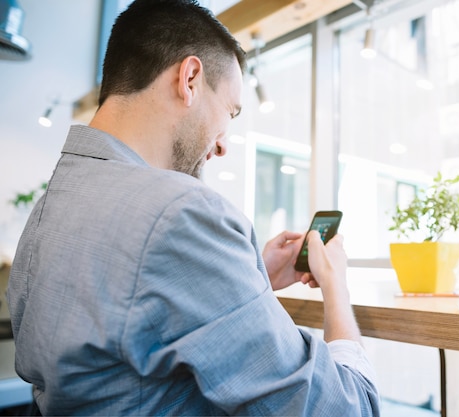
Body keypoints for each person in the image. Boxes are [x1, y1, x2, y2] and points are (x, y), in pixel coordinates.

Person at [7, 0, 380, 416]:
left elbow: (125, 317)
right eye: (229, 112)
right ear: (189, 78)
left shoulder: (52, 205)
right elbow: (345, 409)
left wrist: (249, 275)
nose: (222, 144)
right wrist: (337, 287)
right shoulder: (180, 211)